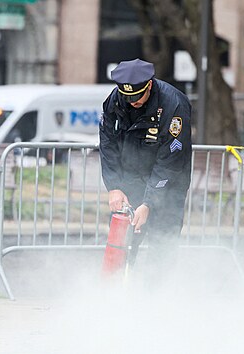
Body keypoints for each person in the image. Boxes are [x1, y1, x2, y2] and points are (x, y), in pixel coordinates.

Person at [99, 58, 192, 269]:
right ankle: (114, 293)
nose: (133, 102)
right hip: (131, 179)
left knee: (162, 246)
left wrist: (149, 202)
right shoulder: (115, 101)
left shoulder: (174, 105)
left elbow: (171, 160)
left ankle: (155, 297)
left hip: (169, 184)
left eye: (138, 96)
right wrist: (114, 187)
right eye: (128, 96)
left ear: (149, 84)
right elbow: (107, 144)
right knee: (121, 243)